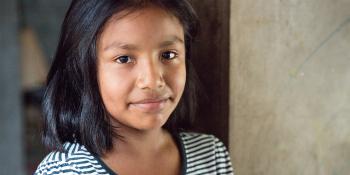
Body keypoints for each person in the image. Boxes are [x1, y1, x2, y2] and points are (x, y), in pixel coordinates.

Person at [34, 0, 234, 174]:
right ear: (83, 69)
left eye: (168, 55)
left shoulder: (211, 156)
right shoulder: (66, 170)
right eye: (124, 59)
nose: (153, 80)